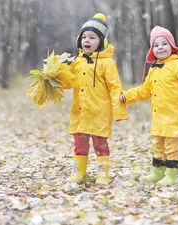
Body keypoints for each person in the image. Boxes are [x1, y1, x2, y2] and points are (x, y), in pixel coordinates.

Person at [120, 26, 178, 186]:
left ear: (172, 47)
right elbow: (144, 89)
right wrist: (127, 96)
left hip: (175, 116)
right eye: (156, 45)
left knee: (171, 148)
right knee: (158, 147)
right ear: (152, 50)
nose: (160, 47)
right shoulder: (154, 69)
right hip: (159, 117)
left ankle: (171, 176)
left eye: (164, 44)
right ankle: (157, 172)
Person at [64, 13, 127, 185]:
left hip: (100, 111)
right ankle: (80, 173)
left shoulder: (108, 64)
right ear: (79, 40)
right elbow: (68, 82)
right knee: (80, 144)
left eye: (92, 37)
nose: (87, 41)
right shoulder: (77, 62)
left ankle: (103, 174)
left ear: (101, 41)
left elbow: (115, 87)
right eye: (84, 37)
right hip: (80, 110)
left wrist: (119, 110)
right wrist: (55, 77)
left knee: (100, 144)